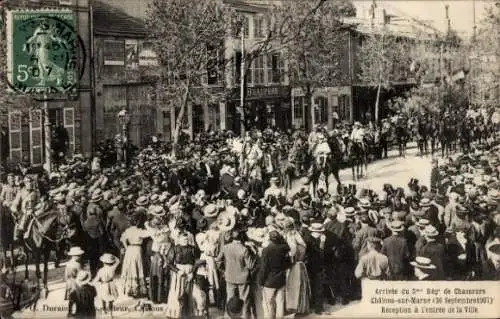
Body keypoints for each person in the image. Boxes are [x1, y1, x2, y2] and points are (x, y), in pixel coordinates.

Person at [217, 229, 255, 319]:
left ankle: (228, 316)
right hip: (243, 278)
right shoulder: (244, 249)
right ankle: (244, 316)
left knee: (229, 298)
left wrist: (223, 269)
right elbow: (250, 266)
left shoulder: (226, 247)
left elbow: (218, 260)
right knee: (244, 299)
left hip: (229, 276)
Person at [259, 230, 291, 319]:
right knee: (280, 302)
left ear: (270, 239)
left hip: (269, 280)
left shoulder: (266, 250)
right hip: (281, 278)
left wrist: (261, 281)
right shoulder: (284, 248)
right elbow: (288, 263)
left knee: (268, 303)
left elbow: (264, 268)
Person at [120, 213, 149, 297]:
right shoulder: (140, 231)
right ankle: (139, 289)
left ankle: (130, 289)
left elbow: (122, 239)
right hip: (137, 249)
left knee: (130, 267)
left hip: (129, 249)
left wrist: (126, 247)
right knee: (138, 267)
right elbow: (149, 233)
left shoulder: (128, 230)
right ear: (137, 222)